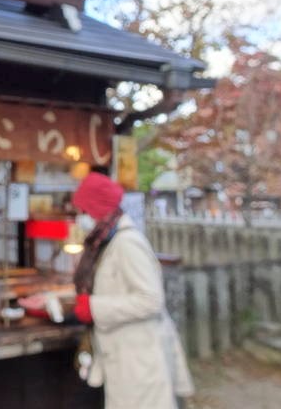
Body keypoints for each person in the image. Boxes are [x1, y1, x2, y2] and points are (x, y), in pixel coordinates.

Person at [71, 171, 194, 409]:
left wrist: (94, 307)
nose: (80, 217)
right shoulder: (105, 243)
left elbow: (150, 300)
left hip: (140, 358)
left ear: (97, 209)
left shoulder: (127, 243)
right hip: (125, 355)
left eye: (84, 211)